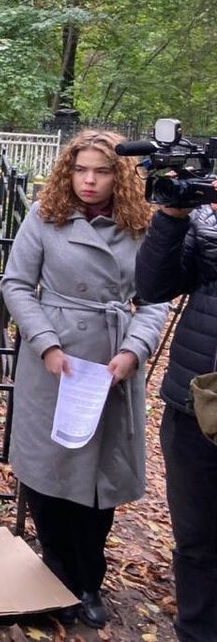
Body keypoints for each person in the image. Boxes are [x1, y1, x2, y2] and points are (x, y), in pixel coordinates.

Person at [0, 130, 168, 629]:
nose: (89, 181)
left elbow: (154, 299)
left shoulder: (141, 226)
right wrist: (47, 344)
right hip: (54, 363)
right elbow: (15, 284)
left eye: (102, 171)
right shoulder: (45, 216)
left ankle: (88, 580)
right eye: (81, 170)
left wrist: (133, 352)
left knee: (99, 481)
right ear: (68, 171)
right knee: (49, 472)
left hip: (111, 367)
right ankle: (58, 576)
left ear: (122, 176)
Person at [134, 182, 217, 642]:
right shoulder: (205, 219)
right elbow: (153, 286)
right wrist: (172, 217)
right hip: (197, 400)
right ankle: (196, 630)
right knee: (198, 536)